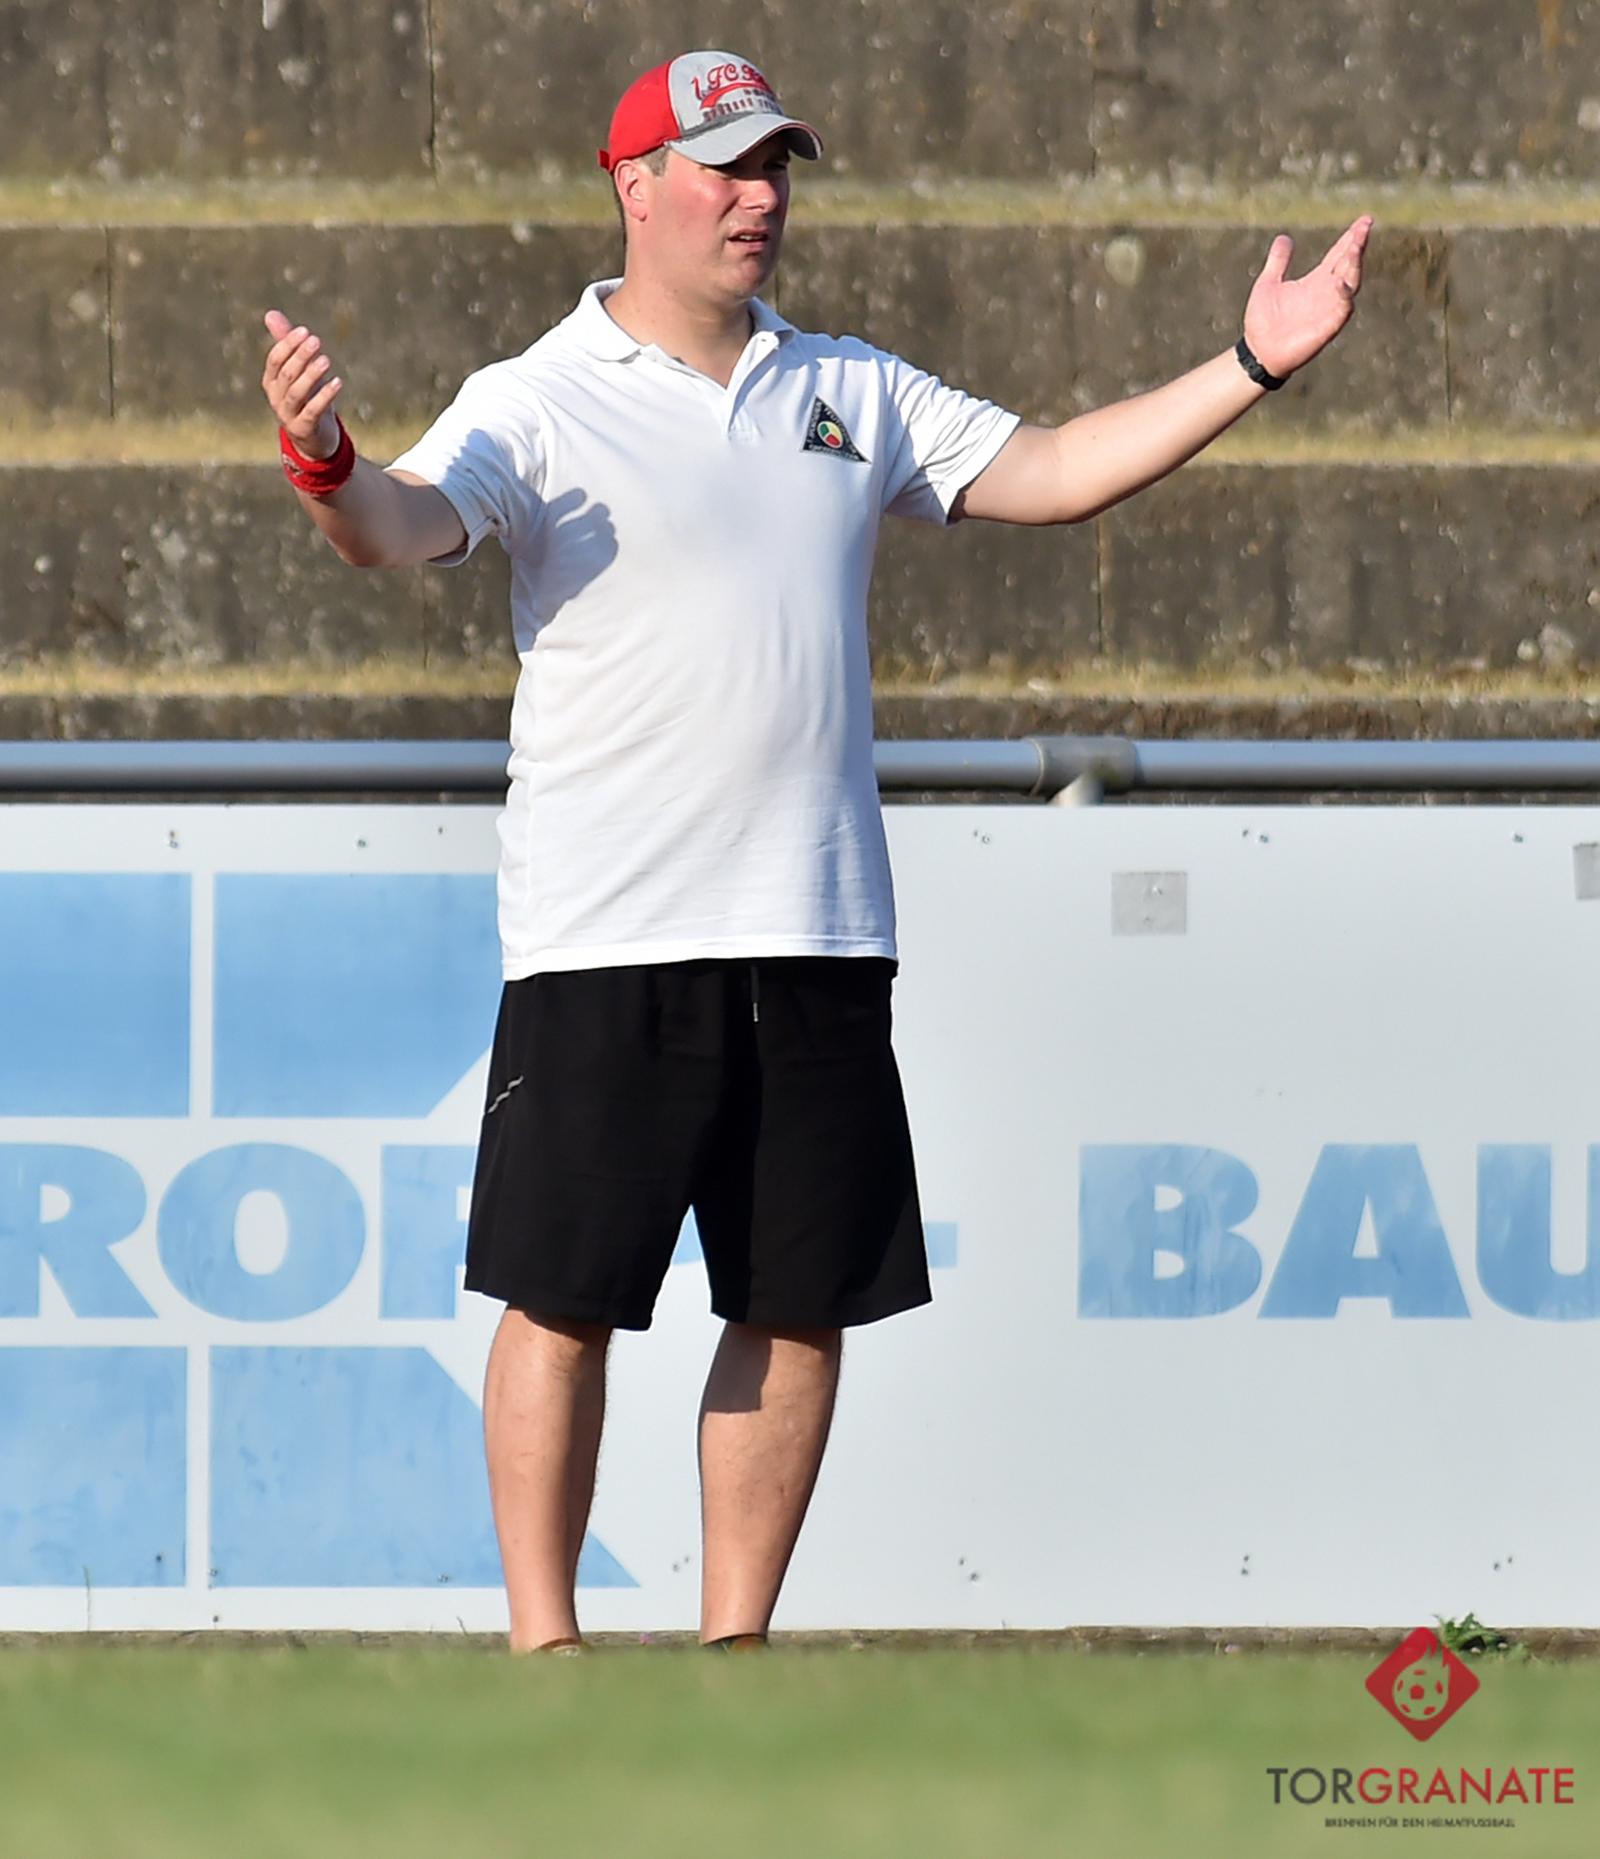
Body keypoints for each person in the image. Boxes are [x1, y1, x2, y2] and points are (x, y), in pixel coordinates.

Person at [260, 49, 1370, 1654]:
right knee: (562, 1299)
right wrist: (325, 462)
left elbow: (1058, 470)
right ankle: (544, 1660)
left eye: (775, 164)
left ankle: (737, 1663)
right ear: (634, 184)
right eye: (725, 165)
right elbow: (401, 522)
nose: (759, 196)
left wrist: (1250, 364)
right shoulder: (538, 392)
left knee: (796, 1303)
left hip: (818, 928)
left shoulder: (850, 384)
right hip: (605, 935)